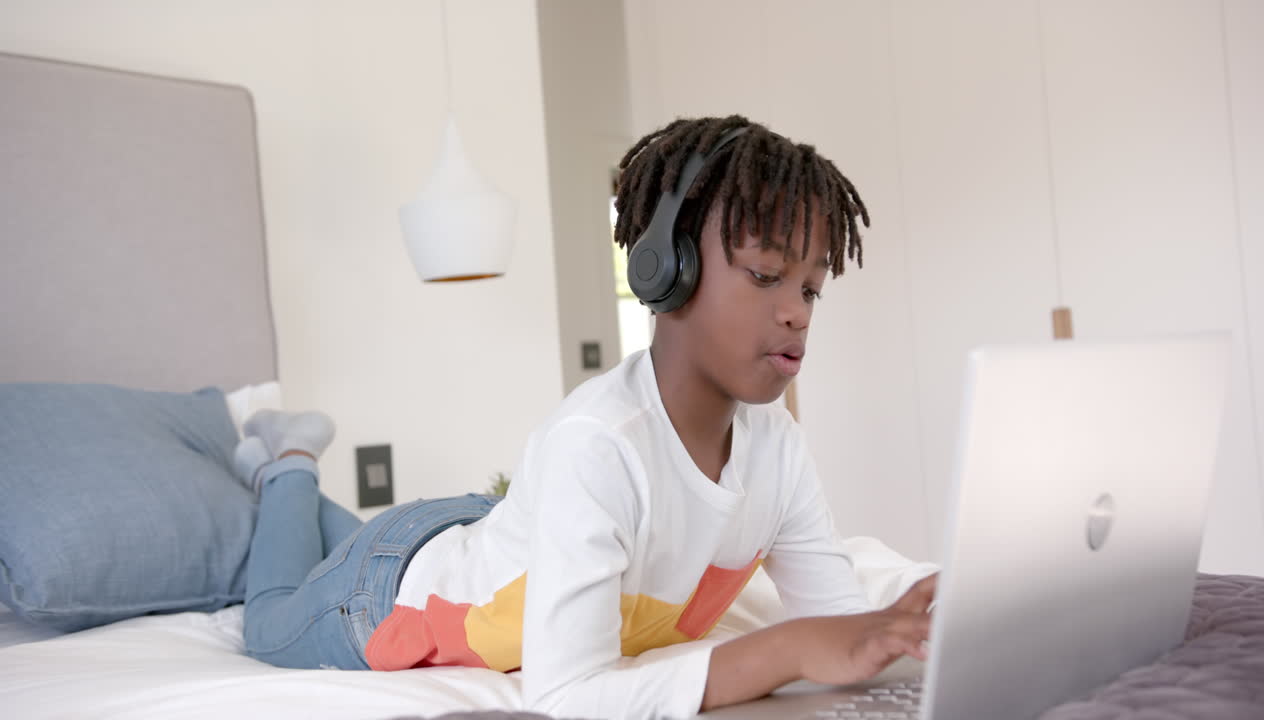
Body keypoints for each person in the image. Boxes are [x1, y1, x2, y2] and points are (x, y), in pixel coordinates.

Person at [235, 114, 938, 719]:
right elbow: (566, 697)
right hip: (385, 593)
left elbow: (838, 631)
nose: (796, 312)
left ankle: (304, 489)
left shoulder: (776, 447)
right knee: (266, 614)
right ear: (669, 269)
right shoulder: (599, 443)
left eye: (811, 288)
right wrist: (781, 650)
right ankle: (290, 462)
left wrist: (903, 622)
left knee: (350, 545)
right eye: (765, 275)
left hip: (479, 533)